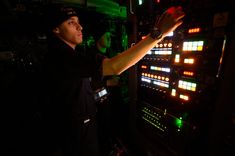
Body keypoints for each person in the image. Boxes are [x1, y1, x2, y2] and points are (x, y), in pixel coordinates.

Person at [40, 3, 185, 156]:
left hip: (82, 130)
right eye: (71, 23)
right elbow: (114, 67)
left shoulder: (71, 56)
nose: (79, 27)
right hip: (76, 137)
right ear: (56, 30)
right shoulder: (60, 56)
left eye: (77, 21)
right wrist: (157, 34)